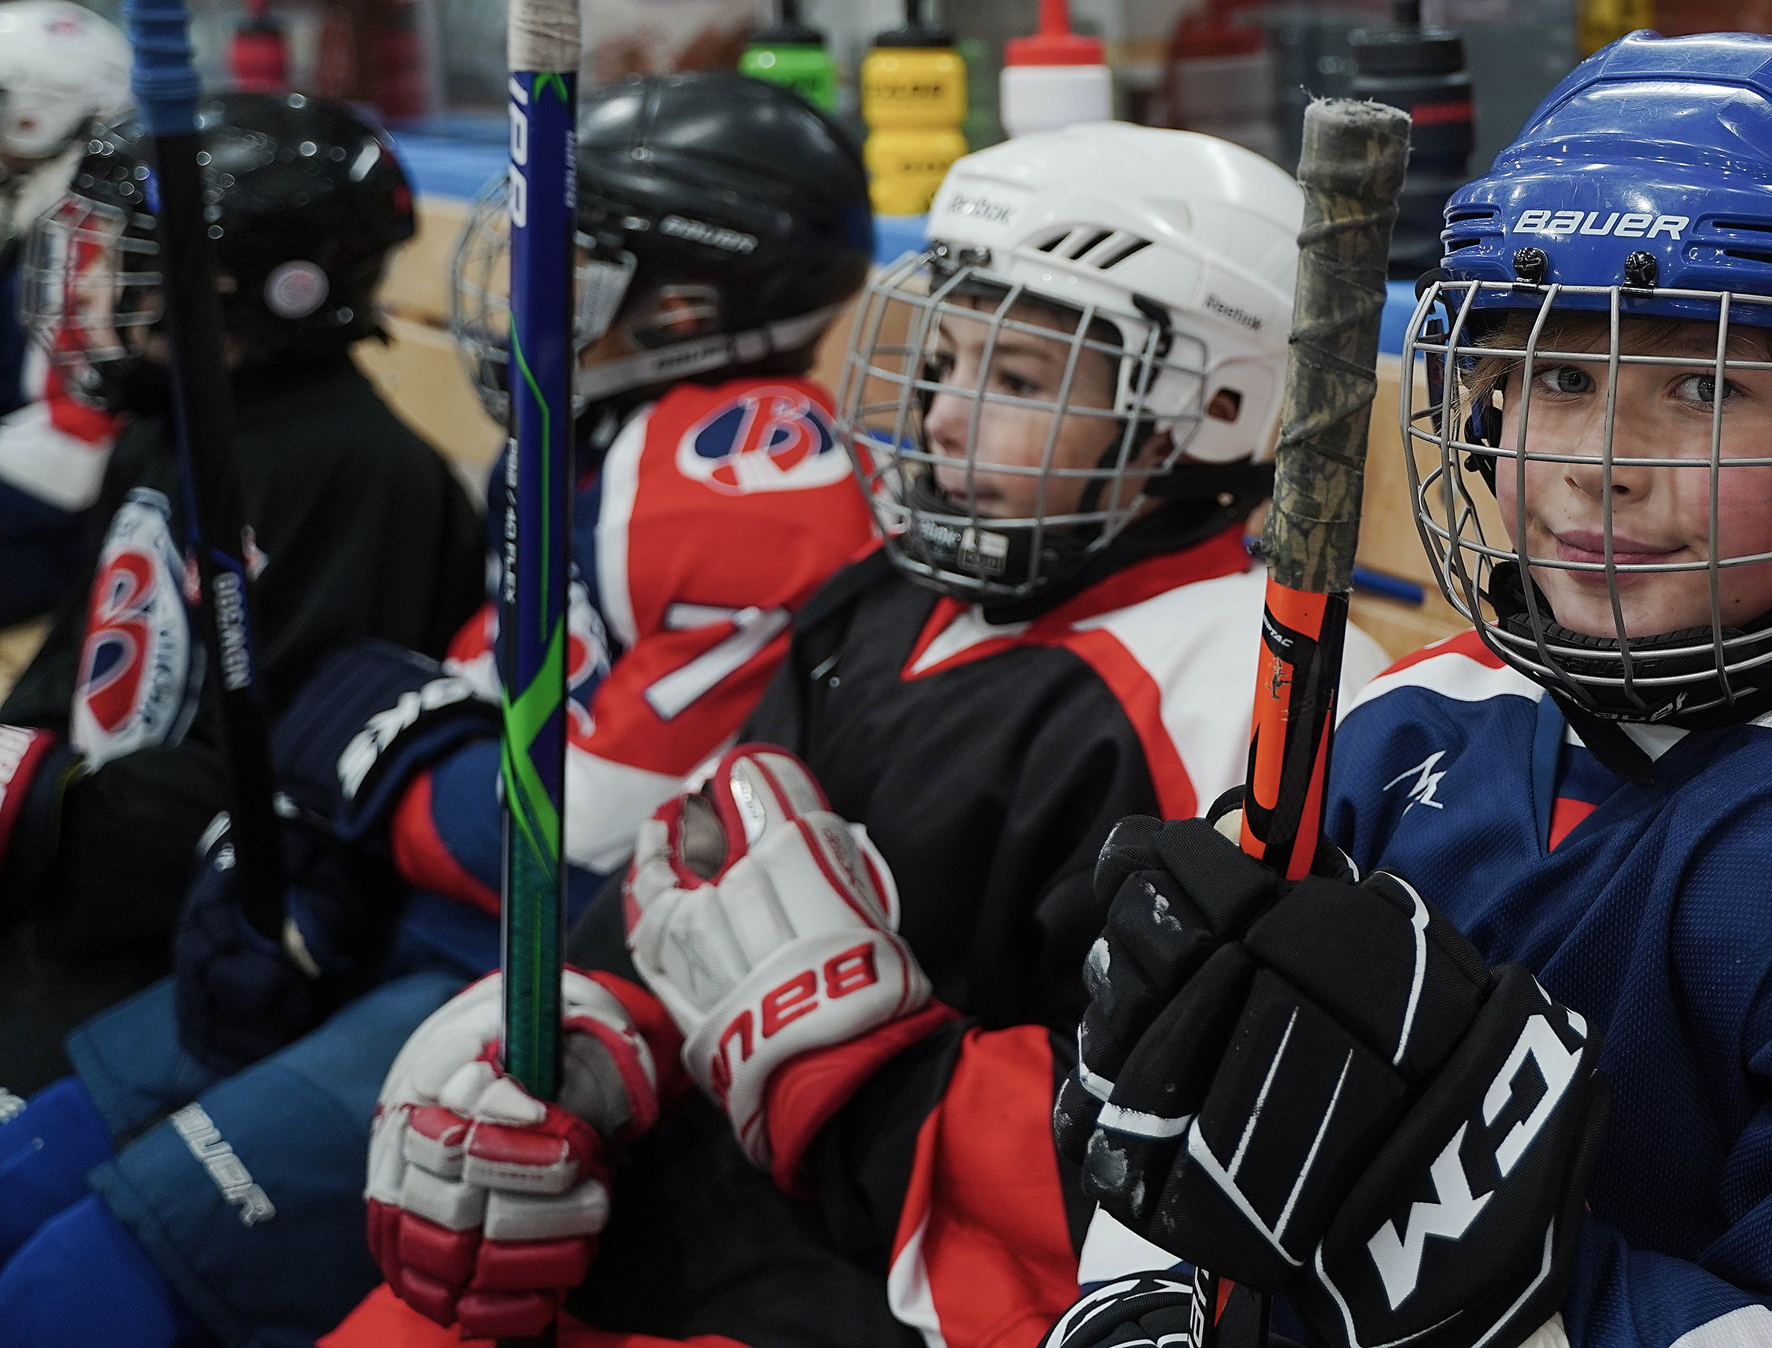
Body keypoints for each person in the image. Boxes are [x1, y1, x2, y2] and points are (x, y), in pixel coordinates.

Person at [1046, 33, 1772, 1348]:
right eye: (1560, 376)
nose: (1604, 461)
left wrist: (1500, 1275)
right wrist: (1150, 1232)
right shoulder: (1400, 731)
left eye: (1703, 388)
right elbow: (1200, 1170)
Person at [340, 120, 1392, 1348]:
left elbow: (1182, 1177)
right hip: (704, 1199)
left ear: (1208, 407)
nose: (943, 416)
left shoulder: (1245, 688)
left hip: (886, 1287)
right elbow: (699, 866)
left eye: (1013, 378)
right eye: (944, 360)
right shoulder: (892, 594)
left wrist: (875, 1067)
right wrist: (596, 1029)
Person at [0, 72, 880, 1348]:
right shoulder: (588, 439)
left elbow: (567, 841)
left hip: (523, 988)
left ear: (688, 305)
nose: (519, 280)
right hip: (411, 936)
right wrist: (330, 821)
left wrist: (375, 769)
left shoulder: (748, 481)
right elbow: (431, 715)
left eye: (569, 255)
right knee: (33, 1180)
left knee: (81, 1287)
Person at [0, 91, 484, 1088]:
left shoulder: (363, 476)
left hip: (187, 955)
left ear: (250, 287)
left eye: (126, 265)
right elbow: (69, 686)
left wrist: (41, 807)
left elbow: (275, 786)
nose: (89, 298)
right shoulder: (164, 429)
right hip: (80, 901)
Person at [0, 0, 134, 624]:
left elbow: (75, 456)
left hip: (60, 539)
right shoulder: (39, 210)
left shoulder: (94, 237)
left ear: (43, 112)